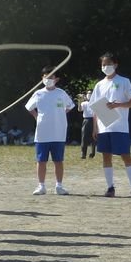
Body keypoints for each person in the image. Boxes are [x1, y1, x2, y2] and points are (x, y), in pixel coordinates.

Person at [89, 52, 131, 198]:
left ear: (116, 65)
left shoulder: (124, 81)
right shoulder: (99, 85)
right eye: (103, 65)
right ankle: (110, 187)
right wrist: (95, 127)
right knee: (106, 156)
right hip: (104, 125)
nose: (106, 67)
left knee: (125, 155)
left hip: (120, 126)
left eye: (108, 64)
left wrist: (119, 105)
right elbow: (95, 107)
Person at [26, 67, 76, 195]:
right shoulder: (38, 93)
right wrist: (37, 117)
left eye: (51, 77)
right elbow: (29, 107)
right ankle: (41, 186)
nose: (48, 79)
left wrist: (60, 115)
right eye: (46, 77)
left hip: (58, 133)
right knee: (41, 160)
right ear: (42, 78)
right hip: (42, 133)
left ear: (56, 79)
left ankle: (59, 186)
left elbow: (70, 106)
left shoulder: (61, 93)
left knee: (58, 160)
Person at [79, 93, 96, 159]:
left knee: (94, 137)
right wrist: (79, 101)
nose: (89, 95)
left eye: (90, 94)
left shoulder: (95, 101)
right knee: (84, 137)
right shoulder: (84, 103)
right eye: (88, 94)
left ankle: (92, 153)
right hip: (86, 120)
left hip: (94, 119)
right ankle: (83, 154)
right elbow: (79, 109)